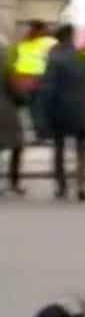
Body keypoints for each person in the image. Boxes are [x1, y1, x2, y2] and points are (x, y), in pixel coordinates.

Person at [31, 25, 85, 202]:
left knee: (59, 148)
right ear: (70, 36)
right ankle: (81, 185)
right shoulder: (81, 58)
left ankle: (61, 186)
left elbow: (48, 88)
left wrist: (42, 112)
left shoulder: (54, 58)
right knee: (81, 149)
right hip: (80, 109)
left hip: (59, 109)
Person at [0, 35, 22, 196]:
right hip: (5, 110)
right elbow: (14, 89)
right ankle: (13, 183)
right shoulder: (6, 68)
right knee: (16, 145)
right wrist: (23, 99)